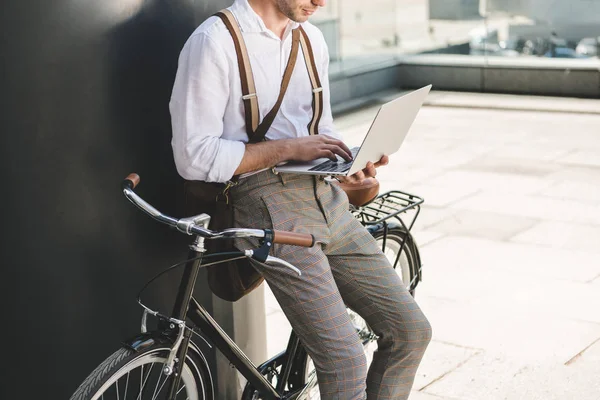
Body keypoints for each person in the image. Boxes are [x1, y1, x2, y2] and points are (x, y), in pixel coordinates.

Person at [169, 0, 432, 398]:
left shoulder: (311, 38)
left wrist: (345, 164)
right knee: (345, 362)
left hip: (325, 197)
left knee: (411, 331)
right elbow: (193, 157)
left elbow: (319, 131)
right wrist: (286, 149)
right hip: (262, 201)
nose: (321, 2)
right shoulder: (214, 41)